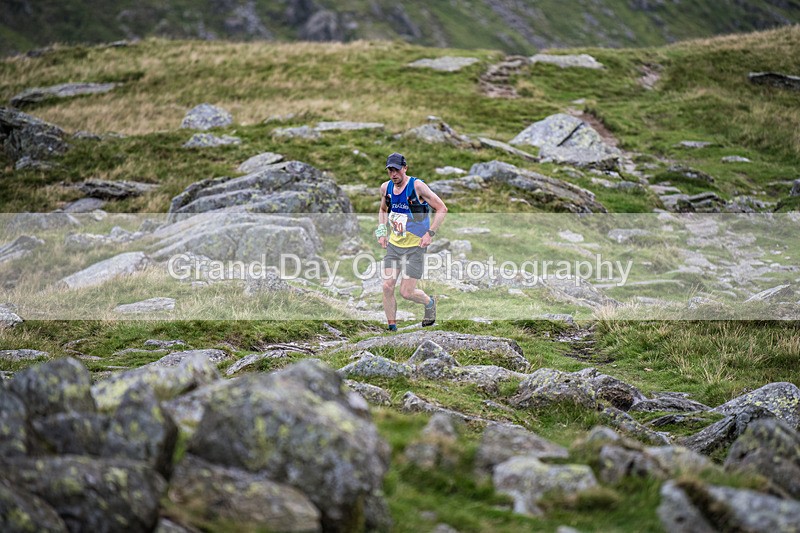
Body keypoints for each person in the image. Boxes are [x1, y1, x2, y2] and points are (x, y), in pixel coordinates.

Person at [376, 152, 447, 330]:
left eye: (397, 170)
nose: (394, 174)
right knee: (387, 286)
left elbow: (442, 208)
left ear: (405, 168)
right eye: (390, 170)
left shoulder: (417, 186)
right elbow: (383, 210)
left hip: (415, 246)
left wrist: (430, 233)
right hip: (395, 244)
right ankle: (391, 328)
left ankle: (429, 302)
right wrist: (382, 231)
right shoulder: (386, 188)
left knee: (406, 292)